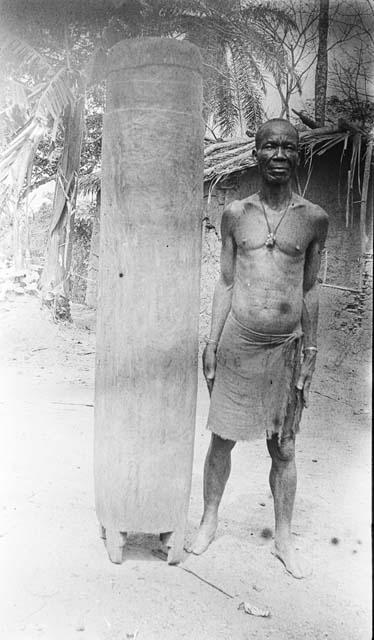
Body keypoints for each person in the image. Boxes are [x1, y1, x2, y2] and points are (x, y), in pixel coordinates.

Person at [189, 118, 328, 579]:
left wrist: (310, 351)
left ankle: (283, 537)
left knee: (284, 449)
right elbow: (226, 281)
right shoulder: (235, 213)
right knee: (221, 439)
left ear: (298, 155)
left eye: (289, 147)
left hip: (285, 349)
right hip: (238, 343)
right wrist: (210, 342)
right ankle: (208, 521)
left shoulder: (313, 219)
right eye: (270, 146)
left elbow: (309, 291)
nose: (280, 155)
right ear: (257, 153)